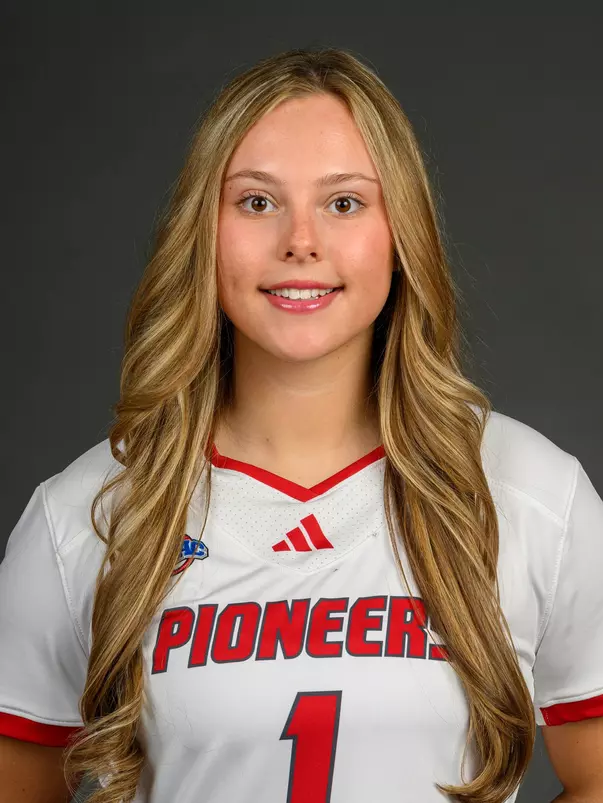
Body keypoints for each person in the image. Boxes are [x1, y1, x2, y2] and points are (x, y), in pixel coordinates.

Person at [0, 47, 602, 803]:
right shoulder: (86, 514)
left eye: (344, 203)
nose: (301, 241)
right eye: (257, 202)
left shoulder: (530, 494)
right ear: (203, 232)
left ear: (401, 232)